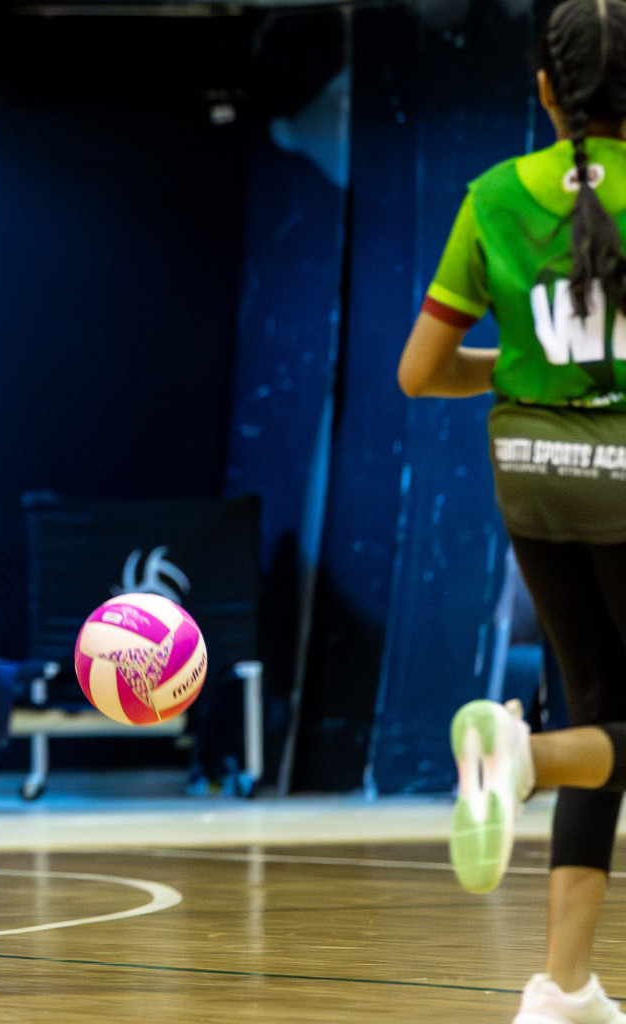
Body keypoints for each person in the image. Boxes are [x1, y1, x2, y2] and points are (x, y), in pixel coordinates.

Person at [399, 1, 626, 1019]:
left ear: (544, 90)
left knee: (603, 709)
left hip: (532, 479)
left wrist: (528, 368)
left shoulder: (492, 196)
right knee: (589, 731)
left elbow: (421, 371)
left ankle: (564, 988)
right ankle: (522, 756)